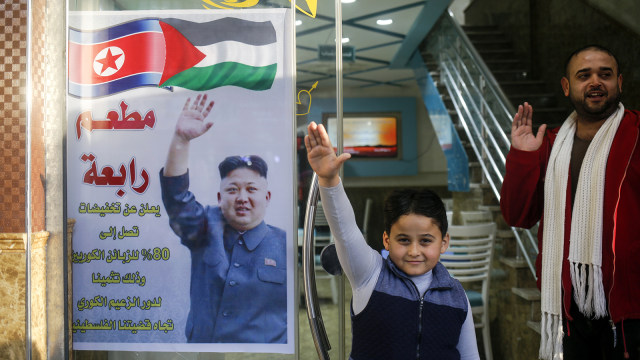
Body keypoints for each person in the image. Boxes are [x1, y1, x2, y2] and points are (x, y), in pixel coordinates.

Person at [500, 45, 640, 359]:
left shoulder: (636, 134)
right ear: (567, 86)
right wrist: (523, 155)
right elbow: (518, 215)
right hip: (568, 304)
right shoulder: (549, 144)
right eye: (584, 75)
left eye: (605, 74)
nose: (595, 82)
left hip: (630, 304)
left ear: (620, 82)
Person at [305, 121, 480, 360]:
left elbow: (470, 356)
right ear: (386, 240)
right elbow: (344, 230)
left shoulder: (457, 295)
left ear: (444, 242)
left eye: (426, 241)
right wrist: (328, 180)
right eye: (404, 240)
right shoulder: (370, 274)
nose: (414, 251)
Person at [159, 94, 287, 344]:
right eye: (232, 190)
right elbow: (176, 197)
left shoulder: (285, 243)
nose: (241, 197)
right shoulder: (204, 227)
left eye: (251, 189)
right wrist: (181, 140)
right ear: (219, 196)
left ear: (267, 196)